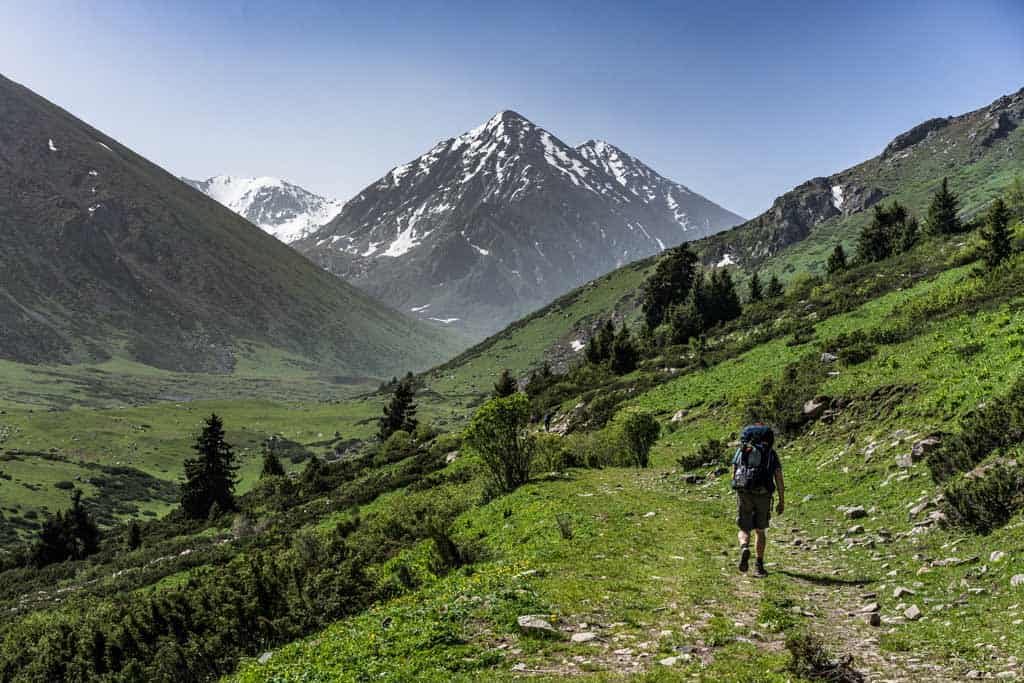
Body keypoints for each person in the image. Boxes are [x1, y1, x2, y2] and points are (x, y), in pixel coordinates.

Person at [731, 423, 784, 577]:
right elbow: (778, 477)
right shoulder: (770, 453)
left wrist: (737, 488)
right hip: (763, 493)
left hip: (744, 492)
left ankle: (744, 547)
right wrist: (781, 500)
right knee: (760, 531)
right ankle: (759, 565)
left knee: (744, 528)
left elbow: (735, 471)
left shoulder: (742, 450)